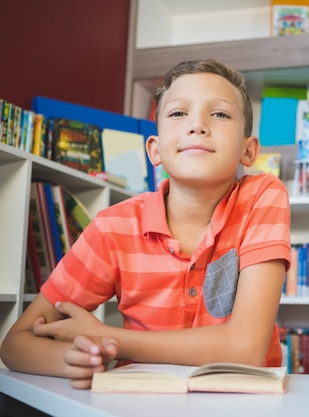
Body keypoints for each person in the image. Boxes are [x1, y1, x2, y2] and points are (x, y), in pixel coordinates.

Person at [0, 59, 291, 389]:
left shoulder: (262, 195)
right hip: (140, 401)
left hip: (243, 403)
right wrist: (73, 361)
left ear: (248, 150)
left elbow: (246, 349)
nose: (197, 125)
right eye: (178, 113)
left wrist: (110, 338)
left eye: (220, 114)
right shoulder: (113, 227)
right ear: (154, 150)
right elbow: (15, 344)